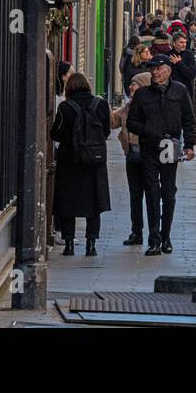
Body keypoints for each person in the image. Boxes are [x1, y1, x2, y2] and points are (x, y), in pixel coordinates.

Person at [127, 59, 196, 256]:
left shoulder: (179, 91)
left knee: (168, 194)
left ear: (168, 70)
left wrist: (190, 145)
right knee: (151, 193)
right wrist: (148, 130)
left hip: (170, 147)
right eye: (152, 69)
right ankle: (154, 239)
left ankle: (166, 237)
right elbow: (132, 122)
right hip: (149, 148)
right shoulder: (142, 94)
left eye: (158, 69)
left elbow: (188, 120)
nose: (155, 73)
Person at [49, 72, 112, 256]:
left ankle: (68, 244)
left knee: (67, 203)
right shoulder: (100, 104)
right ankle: (91, 244)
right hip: (95, 161)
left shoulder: (65, 107)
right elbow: (106, 130)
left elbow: (56, 134)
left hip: (70, 162)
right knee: (94, 204)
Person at [112, 72, 152, 246]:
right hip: (132, 157)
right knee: (135, 196)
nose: (130, 87)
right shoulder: (128, 107)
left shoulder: (151, 107)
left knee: (151, 196)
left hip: (149, 157)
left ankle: (155, 234)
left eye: (134, 84)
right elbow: (112, 121)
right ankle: (136, 232)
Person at [169, 29, 196, 100]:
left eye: (185, 42)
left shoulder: (189, 55)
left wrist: (179, 63)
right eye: (181, 42)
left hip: (186, 90)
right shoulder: (168, 55)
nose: (184, 44)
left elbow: (192, 74)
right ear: (174, 43)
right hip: (171, 91)